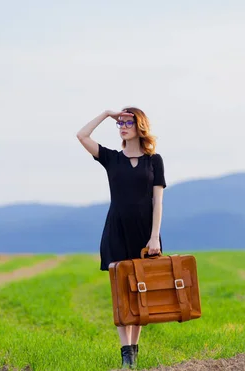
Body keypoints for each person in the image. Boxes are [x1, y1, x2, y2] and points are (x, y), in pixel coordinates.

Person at [76, 107, 166, 369]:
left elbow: (158, 202)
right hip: (116, 231)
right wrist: (106, 114)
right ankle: (126, 353)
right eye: (121, 123)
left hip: (145, 235)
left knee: (140, 294)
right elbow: (82, 135)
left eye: (129, 122)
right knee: (120, 295)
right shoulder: (111, 158)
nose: (123, 126)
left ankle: (133, 352)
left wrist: (154, 238)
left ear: (140, 126)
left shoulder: (154, 161)